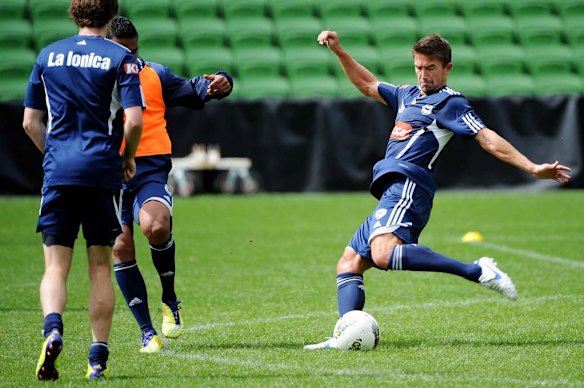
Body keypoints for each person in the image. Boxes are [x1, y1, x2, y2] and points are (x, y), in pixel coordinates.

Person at [305, 31, 572, 350]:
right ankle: (345, 337)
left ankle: (478, 271)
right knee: (349, 262)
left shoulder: (450, 102)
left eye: (430, 68)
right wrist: (339, 51)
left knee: (383, 254)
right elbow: (367, 84)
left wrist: (531, 167)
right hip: (391, 188)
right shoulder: (407, 95)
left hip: (409, 185)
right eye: (418, 67)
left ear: (448, 68)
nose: (423, 75)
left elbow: (486, 138)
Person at [23, 0, 144, 379]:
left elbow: (30, 122)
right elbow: (135, 121)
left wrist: (55, 156)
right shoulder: (121, 57)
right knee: (99, 267)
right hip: (101, 171)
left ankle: (54, 328)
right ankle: (97, 359)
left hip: (59, 171)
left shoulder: (48, 55)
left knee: (56, 266)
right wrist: (127, 158)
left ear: (75, 14)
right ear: (111, 14)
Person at [106, 16, 233, 353]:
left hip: (148, 166)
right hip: (105, 170)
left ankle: (169, 297)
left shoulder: (153, 74)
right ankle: (147, 332)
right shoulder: (91, 79)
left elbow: (193, 89)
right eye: (123, 53)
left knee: (157, 226)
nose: (130, 59)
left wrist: (221, 83)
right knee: (120, 247)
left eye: (135, 51)